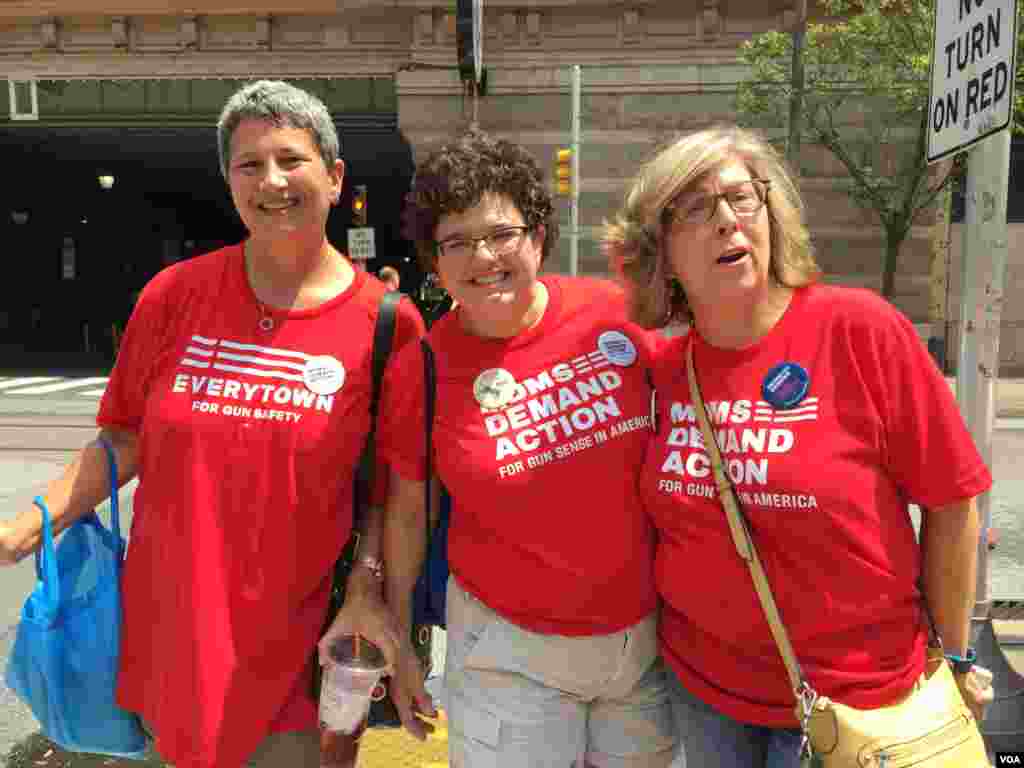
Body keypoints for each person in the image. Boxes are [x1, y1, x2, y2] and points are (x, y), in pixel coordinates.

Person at [0, 79, 425, 768]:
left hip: (302, 656)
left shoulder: (387, 324)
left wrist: (374, 593)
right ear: (230, 182)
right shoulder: (174, 297)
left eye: (291, 159)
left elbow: (395, 490)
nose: (272, 180)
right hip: (173, 642)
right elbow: (124, 438)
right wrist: (23, 531)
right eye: (249, 164)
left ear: (336, 176)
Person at [603, 124, 993, 766]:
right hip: (707, 700)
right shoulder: (667, 367)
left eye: (742, 198)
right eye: (697, 209)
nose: (728, 220)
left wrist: (952, 655)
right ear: (662, 250)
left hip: (864, 701)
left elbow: (953, 502)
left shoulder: (860, 329)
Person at [371, 131, 677, 767]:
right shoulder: (421, 370)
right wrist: (399, 640)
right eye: (456, 242)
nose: (483, 257)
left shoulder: (617, 317)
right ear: (433, 261)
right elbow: (406, 515)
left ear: (537, 235)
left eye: (501, 233)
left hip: (646, 652)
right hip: (509, 657)